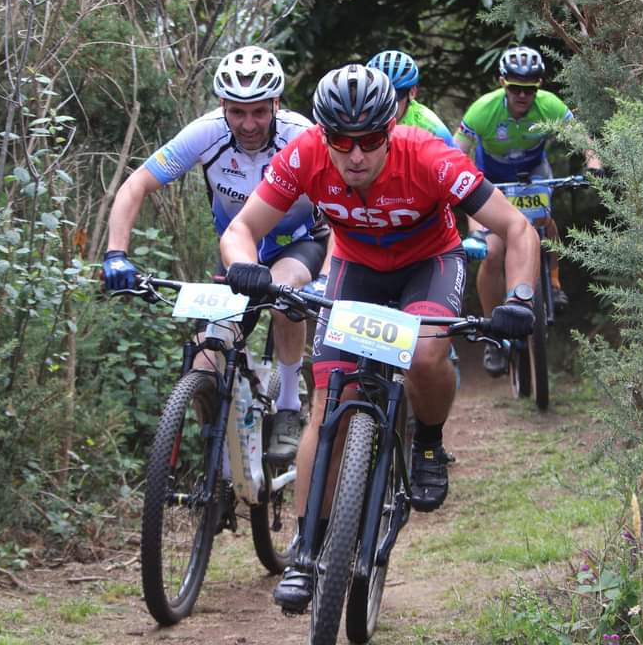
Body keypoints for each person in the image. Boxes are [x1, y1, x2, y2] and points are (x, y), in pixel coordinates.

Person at [219, 64, 539, 612]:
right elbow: (241, 229)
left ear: (391, 129)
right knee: (329, 401)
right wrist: (244, 265)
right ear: (324, 134)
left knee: (425, 354)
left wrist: (521, 297)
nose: (356, 155)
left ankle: (428, 441)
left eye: (369, 140)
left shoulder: (429, 156)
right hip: (356, 266)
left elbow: (516, 227)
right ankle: (306, 551)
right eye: (342, 141)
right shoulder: (305, 155)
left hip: (429, 263)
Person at [101, 45, 326, 465]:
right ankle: (215, 449)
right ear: (222, 105)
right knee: (205, 357)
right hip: (237, 250)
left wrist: (330, 271)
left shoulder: (302, 135)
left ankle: (290, 406)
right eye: (237, 111)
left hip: (297, 242)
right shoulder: (206, 133)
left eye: (259, 111)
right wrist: (116, 253)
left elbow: (342, 200)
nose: (248, 124)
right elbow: (136, 185)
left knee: (283, 296)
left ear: (276, 104)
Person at [453, 45, 602, 376]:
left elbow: (582, 138)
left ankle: (554, 283)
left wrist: (594, 164)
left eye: (529, 89)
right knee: (492, 252)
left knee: (546, 224)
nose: (522, 95)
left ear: (539, 86)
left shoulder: (549, 105)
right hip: (491, 179)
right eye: (515, 88)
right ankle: (494, 335)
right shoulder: (483, 110)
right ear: (502, 83)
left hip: (533, 172)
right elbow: (455, 152)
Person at [366, 49, 455, 146]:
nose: (386, 105)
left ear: (412, 93)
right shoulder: (359, 113)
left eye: (395, 96)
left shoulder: (432, 130)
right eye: (378, 95)